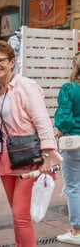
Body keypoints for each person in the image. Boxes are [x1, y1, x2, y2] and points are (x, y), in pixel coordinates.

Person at [0, 40, 61, 247]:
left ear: (12, 62)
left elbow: (42, 121)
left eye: (1, 60)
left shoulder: (24, 86)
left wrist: (47, 154)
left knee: (21, 215)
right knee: (16, 214)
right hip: (8, 159)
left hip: (30, 158)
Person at [54, 52, 80, 245]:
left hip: (73, 143)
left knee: (73, 187)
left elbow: (64, 119)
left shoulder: (69, 88)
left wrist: (60, 132)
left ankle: (76, 230)